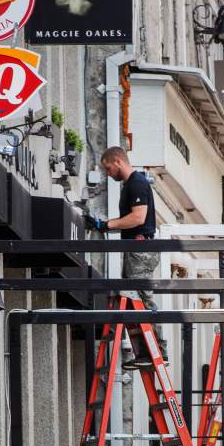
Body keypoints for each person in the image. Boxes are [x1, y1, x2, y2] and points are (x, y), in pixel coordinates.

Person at [85, 146, 167, 356]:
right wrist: (103, 225)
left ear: (118, 161)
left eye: (108, 168)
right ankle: (144, 351)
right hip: (135, 249)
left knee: (142, 296)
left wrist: (107, 225)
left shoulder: (137, 184)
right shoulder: (131, 185)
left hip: (140, 249)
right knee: (134, 299)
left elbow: (138, 218)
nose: (108, 174)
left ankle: (157, 349)